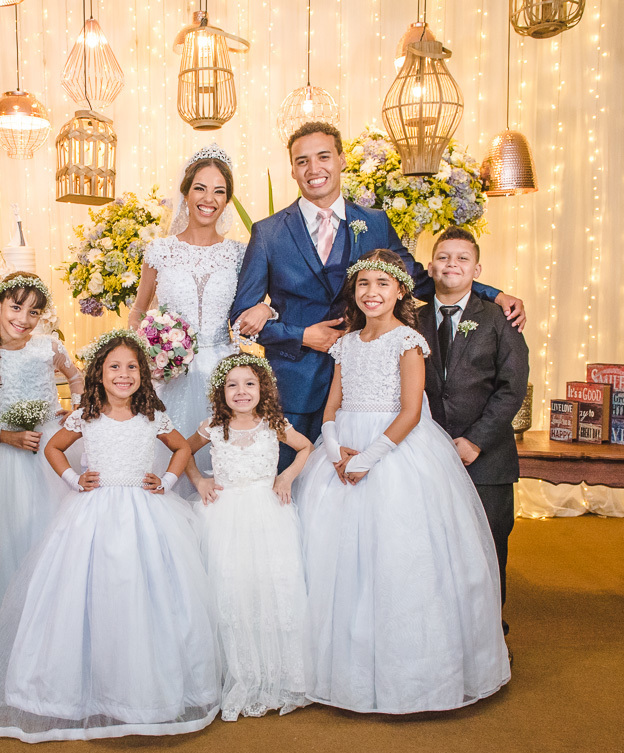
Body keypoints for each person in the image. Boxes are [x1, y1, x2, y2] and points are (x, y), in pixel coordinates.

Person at [230, 121, 525, 469]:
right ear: (293, 169)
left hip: (364, 393)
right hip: (295, 389)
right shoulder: (268, 233)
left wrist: (493, 294)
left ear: (341, 160)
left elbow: (417, 280)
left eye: (323, 156)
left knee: (360, 483)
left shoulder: (375, 222)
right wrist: (302, 336)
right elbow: (240, 320)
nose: (313, 168)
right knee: (293, 486)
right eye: (302, 161)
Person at [0, 330, 220, 742]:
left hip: (145, 513)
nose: (124, 375)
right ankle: (82, 691)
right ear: (99, 374)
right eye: (115, 367)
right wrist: (72, 479)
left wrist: (167, 479)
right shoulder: (85, 415)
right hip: (92, 513)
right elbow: (53, 448)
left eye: (132, 367)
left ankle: (142, 691)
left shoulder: (153, 416)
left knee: (143, 592)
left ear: (142, 374)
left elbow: (182, 448)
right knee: (88, 592)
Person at [296, 252, 511, 714]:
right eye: (363, 284)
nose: (372, 292)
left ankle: (409, 674)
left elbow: (412, 412)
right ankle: (338, 666)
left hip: (393, 450)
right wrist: (333, 451)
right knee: (336, 557)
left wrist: (368, 458)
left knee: (396, 555)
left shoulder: (408, 341)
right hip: (342, 449)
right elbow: (332, 406)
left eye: (382, 284)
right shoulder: (345, 343)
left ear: (399, 292)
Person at [184, 353, 314, 721]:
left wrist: (286, 477)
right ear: (221, 391)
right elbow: (183, 451)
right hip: (222, 517)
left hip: (268, 515)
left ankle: (279, 675)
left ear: (263, 389)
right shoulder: (212, 426)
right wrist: (199, 480)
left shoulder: (274, 424)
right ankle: (236, 672)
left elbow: (306, 447)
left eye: (249, 384)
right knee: (230, 587)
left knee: (270, 585)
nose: (241, 391)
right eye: (232, 385)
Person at [417, 227, 529, 640]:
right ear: (431, 267)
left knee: (488, 548)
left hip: (487, 460)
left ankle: (489, 635)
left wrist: (476, 440)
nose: (452, 265)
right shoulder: (412, 319)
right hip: (428, 455)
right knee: (434, 547)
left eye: (462, 258)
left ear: (476, 269)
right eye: (444, 257)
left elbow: (512, 388)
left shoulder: (500, 319)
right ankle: (444, 634)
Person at [0, 272, 85, 629]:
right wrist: (4, 436)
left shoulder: (49, 347)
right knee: (18, 535)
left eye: (34, 312)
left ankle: (63, 619)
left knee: (61, 529)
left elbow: (77, 378)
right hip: (8, 461)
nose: (24, 319)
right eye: (16, 308)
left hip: (54, 448)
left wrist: (77, 410)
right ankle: (19, 623)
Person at [128, 144, 247, 496]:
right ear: (185, 193)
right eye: (200, 188)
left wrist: (265, 312)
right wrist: (148, 350)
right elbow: (138, 310)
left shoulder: (239, 253)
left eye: (219, 191)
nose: (209, 199)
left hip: (223, 371)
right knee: (168, 463)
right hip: (171, 374)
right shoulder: (160, 250)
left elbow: (250, 310)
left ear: (227, 200)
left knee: (223, 467)